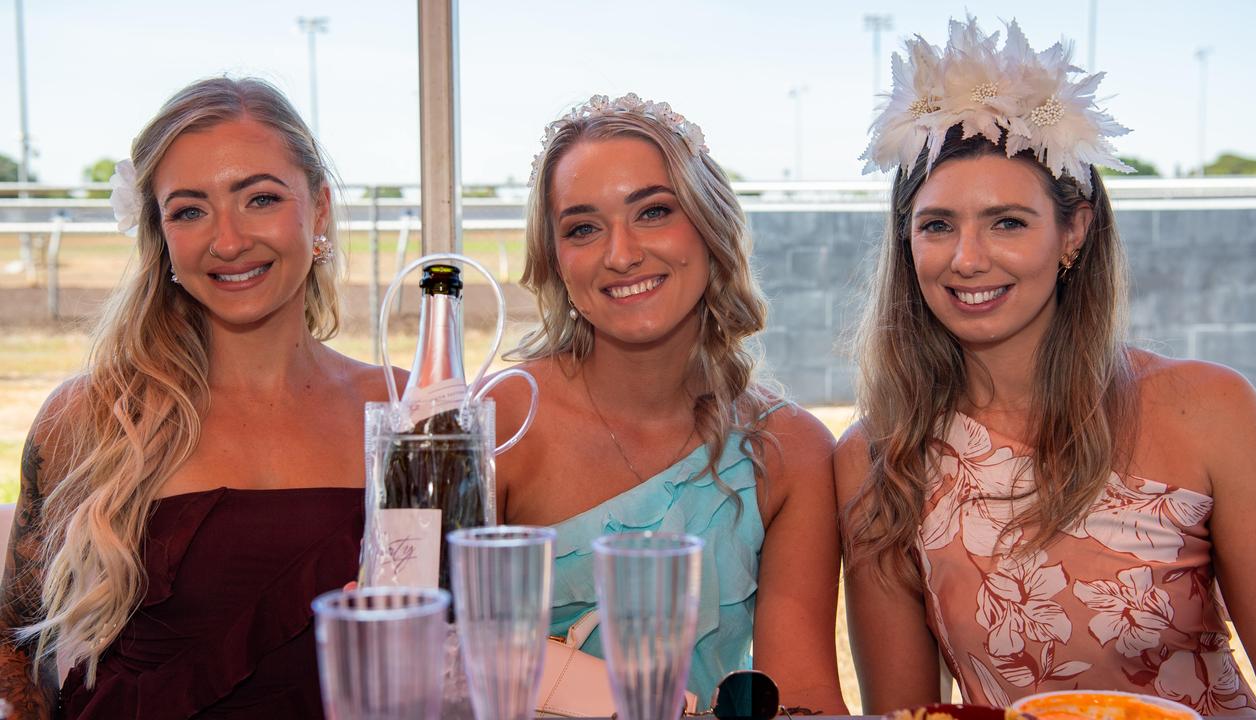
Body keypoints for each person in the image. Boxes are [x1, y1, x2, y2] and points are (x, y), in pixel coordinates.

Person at [836, 17, 1256, 715]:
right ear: (907, 240)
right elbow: (906, 715)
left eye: (1008, 221)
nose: (968, 258)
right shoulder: (877, 455)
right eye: (937, 225)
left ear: (1074, 230)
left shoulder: (1211, 409)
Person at [0, 77, 393, 719]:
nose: (229, 241)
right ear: (161, 235)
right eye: (189, 210)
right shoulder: (91, 416)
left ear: (319, 208)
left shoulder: (409, 410)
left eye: (260, 198)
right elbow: (15, 642)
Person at [491, 93, 847, 713]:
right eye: (582, 227)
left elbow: (803, 694)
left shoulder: (791, 451)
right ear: (556, 261)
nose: (621, 253)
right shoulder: (503, 423)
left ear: (711, 229)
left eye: (653, 212)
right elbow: (434, 652)